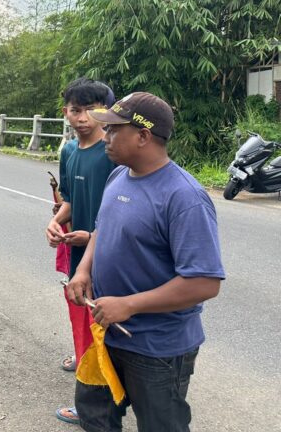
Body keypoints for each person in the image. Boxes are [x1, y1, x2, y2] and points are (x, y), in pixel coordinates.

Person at [67, 92, 224, 432]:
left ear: (142, 136)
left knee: (160, 425)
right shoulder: (118, 177)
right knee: (94, 415)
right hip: (107, 335)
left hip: (157, 349)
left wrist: (129, 305)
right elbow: (100, 229)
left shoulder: (184, 197)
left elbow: (204, 283)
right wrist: (83, 271)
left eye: (113, 130)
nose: (104, 137)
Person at [46, 78, 116, 425]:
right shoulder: (69, 152)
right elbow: (70, 200)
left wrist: (91, 237)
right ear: (66, 113)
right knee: (83, 321)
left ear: (107, 112)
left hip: (109, 259)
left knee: (99, 327)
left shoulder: (114, 154)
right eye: (76, 109)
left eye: (92, 109)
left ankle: (93, 403)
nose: (83, 117)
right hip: (78, 257)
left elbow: (121, 213)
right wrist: (56, 222)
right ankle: (89, 371)